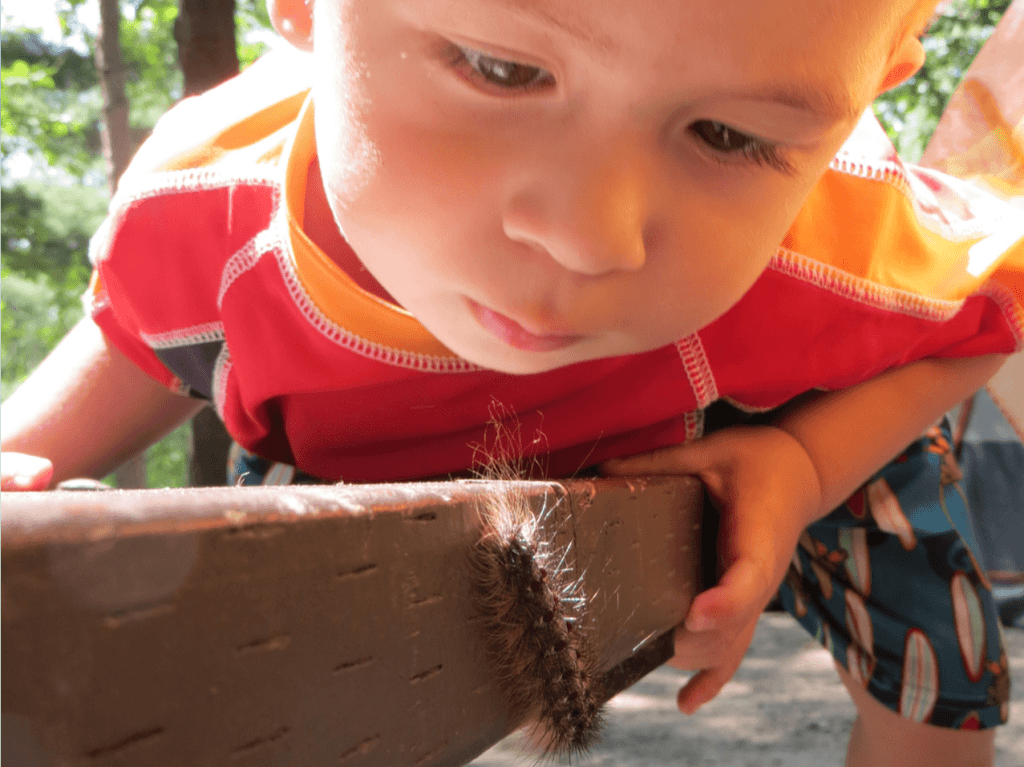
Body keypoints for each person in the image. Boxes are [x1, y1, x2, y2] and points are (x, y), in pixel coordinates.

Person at [2, 0, 1022, 764]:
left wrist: (804, 461)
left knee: (938, 659)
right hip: (354, 435)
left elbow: (988, 307)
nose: (588, 236)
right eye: (500, 68)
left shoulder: (837, 245)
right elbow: (139, 339)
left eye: (730, 135)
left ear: (859, 100)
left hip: (788, 391)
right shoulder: (204, 207)